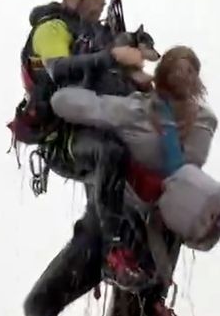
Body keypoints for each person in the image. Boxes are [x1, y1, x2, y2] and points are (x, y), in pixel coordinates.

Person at [13, 0, 152, 313]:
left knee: (116, 155)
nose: (103, 3)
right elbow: (59, 69)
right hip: (64, 140)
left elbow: (113, 54)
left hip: (92, 134)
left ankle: (116, 250)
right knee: (110, 153)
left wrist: (135, 54)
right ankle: (113, 250)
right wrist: (112, 59)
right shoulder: (51, 29)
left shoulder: (96, 32)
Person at [49, 45, 218, 315]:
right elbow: (64, 102)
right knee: (137, 297)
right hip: (154, 224)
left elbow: (62, 101)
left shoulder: (137, 110)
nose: (184, 76)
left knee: (134, 297)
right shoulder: (196, 119)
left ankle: (147, 294)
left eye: (188, 70)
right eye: (181, 70)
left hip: (145, 222)